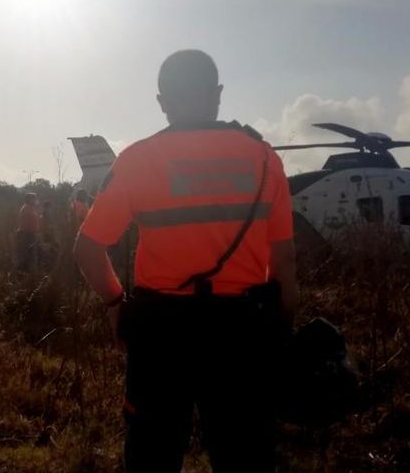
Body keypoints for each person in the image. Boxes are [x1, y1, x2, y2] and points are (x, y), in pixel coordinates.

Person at [73, 49, 297, 472]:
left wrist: (115, 305)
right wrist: (278, 335)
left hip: (160, 334)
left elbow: (87, 247)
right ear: (218, 94)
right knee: (246, 456)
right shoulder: (265, 159)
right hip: (241, 332)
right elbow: (284, 260)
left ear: (161, 101)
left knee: (152, 456)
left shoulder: (137, 160)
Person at [16, 193, 40, 272]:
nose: (35, 200)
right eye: (33, 199)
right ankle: (27, 273)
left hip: (30, 234)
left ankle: (30, 273)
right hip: (26, 234)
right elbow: (25, 223)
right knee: (28, 255)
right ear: (29, 199)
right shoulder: (26, 209)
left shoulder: (31, 208)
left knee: (31, 255)